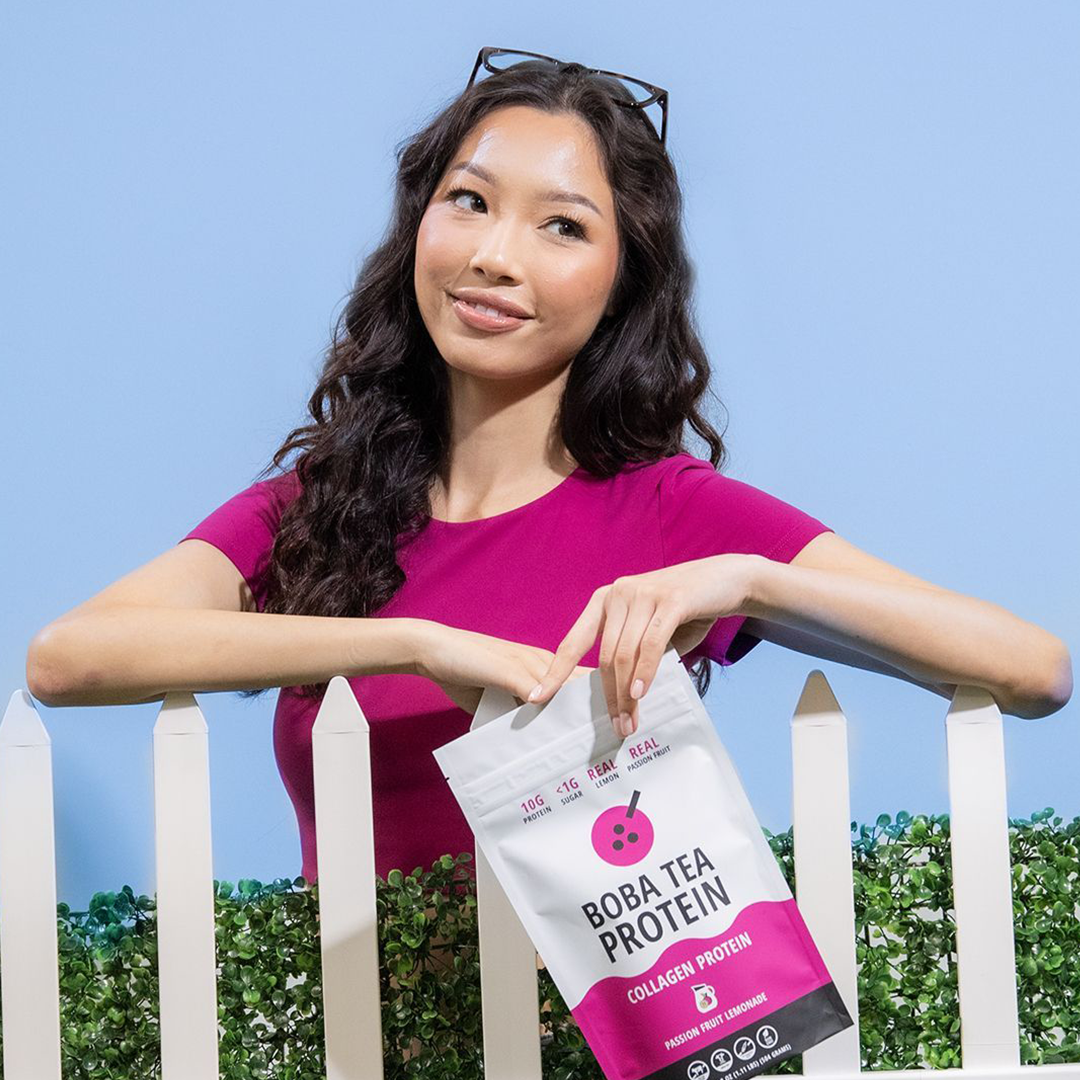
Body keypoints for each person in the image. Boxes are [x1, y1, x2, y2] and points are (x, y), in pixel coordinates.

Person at [25, 50, 1072, 891]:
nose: (496, 255)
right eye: (469, 202)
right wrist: (416, 645)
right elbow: (69, 659)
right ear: (418, 225)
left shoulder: (672, 513)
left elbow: (1032, 669)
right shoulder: (317, 509)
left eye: (563, 226)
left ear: (623, 282)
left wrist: (751, 581)